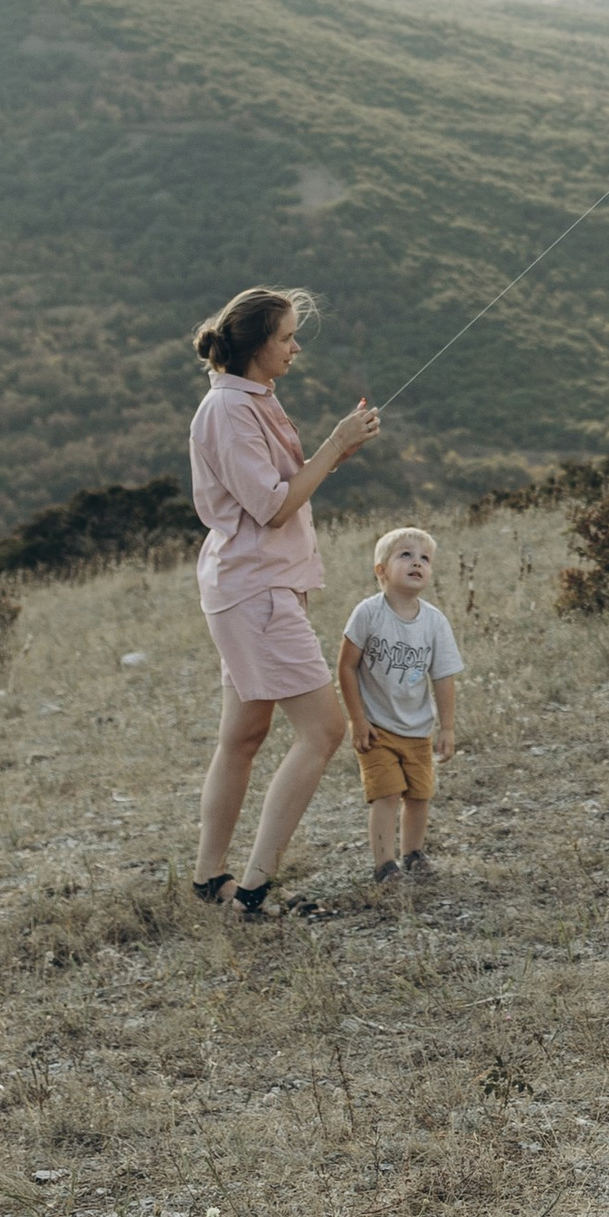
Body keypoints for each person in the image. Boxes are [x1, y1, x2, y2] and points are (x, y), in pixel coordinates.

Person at [187, 285, 381, 916]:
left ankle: (210, 880)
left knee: (243, 735)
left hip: (256, 586)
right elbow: (271, 508)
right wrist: (331, 444)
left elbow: (279, 489)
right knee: (324, 730)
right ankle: (252, 891)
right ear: (255, 346)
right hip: (255, 589)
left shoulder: (251, 400)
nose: (297, 347)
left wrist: (336, 452)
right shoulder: (227, 411)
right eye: (288, 337)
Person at [338, 528, 463, 887]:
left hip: (418, 729)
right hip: (377, 727)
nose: (417, 563)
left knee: (420, 794)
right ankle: (384, 864)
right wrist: (357, 719)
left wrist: (448, 728)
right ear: (381, 570)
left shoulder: (435, 622)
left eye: (424, 558)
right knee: (386, 793)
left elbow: (443, 677)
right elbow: (346, 666)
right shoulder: (368, 613)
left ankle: (413, 853)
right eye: (405, 555)